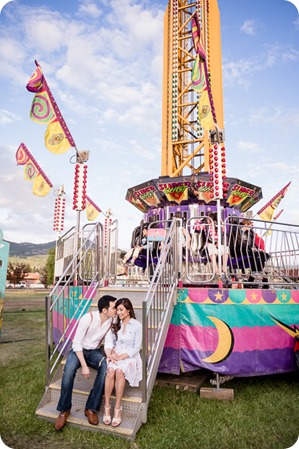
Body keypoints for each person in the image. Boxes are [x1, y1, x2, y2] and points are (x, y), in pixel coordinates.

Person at [54, 295, 117, 431]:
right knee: (69, 370)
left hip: (94, 351)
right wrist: (83, 365)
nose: (116, 310)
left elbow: (108, 342)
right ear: (104, 310)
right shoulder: (88, 318)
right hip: (78, 351)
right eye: (114, 307)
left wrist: (109, 354)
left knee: (105, 366)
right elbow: (76, 343)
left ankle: (91, 409)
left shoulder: (111, 321)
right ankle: (64, 410)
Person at [103, 298, 142, 427]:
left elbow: (136, 349)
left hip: (130, 356)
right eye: (117, 310)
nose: (118, 313)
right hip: (117, 353)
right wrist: (112, 354)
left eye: (121, 310)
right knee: (110, 371)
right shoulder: (115, 324)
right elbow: (110, 342)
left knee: (119, 371)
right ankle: (107, 406)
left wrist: (121, 357)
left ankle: (118, 408)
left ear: (129, 310)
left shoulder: (137, 325)